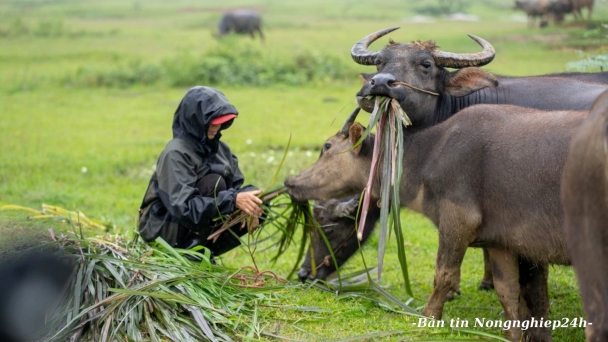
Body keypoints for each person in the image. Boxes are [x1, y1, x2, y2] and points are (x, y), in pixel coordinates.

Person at [138, 86, 264, 257]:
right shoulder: (175, 153)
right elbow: (184, 207)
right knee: (214, 185)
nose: (217, 126)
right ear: (195, 119)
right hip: (163, 227)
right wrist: (233, 200)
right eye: (213, 121)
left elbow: (237, 187)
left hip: (192, 222)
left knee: (259, 203)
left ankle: (204, 252)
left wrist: (250, 201)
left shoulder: (222, 149)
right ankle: (188, 253)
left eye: (221, 121)